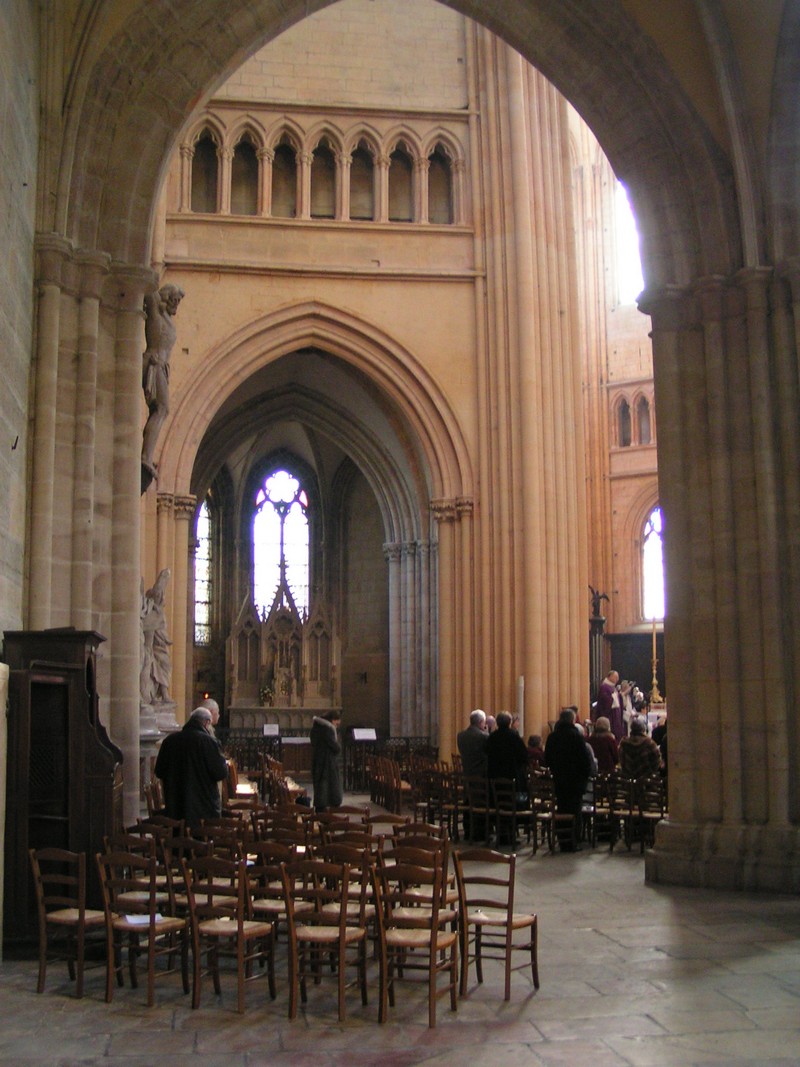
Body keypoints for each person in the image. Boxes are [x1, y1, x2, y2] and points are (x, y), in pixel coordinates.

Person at [154, 706, 228, 830]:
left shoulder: (169, 741)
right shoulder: (209, 742)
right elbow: (221, 773)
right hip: (203, 809)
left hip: (175, 806)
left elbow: (159, 771)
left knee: (178, 844)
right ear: (206, 722)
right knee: (202, 845)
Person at [141, 283, 184, 476]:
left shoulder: (166, 318)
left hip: (162, 367)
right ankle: (145, 457)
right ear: (167, 297)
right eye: (175, 299)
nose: (177, 304)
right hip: (154, 363)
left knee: (162, 410)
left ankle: (146, 456)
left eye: (179, 301)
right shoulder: (155, 313)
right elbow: (148, 290)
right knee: (162, 408)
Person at [544, 707, 593, 851]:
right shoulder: (576, 736)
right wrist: (584, 776)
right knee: (574, 811)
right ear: (572, 720)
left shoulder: (552, 737)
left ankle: (562, 839)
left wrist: (555, 770)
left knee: (561, 809)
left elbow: (547, 759)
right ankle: (572, 842)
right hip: (575, 781)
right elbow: (585, 760)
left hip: (558, 780)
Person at [140, 568, 172, 705]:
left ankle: (163, 693)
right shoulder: (150, 612)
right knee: (150, 665)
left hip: (160, 647)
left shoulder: (159, 614)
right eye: (157, 595)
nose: (159, 597)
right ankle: (151, 695)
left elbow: (162, 633)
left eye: (161, 595)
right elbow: (149, 635)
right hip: (151, 648)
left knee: (165, 665)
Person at [485, 710, 529, 794]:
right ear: (510, 723)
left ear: (497, 723)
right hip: (512, 774)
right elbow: (523, 755)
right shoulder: (514, 736)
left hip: (495, 774)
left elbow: (486, 752)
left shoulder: (492, 737)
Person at [309, 710, 343, 812]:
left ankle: (321, 807)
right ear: (332, 720)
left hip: (318, 759)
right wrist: (338, 748)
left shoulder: (316, 728)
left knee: (320, 786)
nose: (336, 727)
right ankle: (327, 810)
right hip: (327, 762)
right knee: (327, 787)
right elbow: (334, 746)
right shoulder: (327, 729)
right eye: (336, 724)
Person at [457, 709, 488, 779]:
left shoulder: (460, 735)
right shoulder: (484, 736)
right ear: (481, 722)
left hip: (466, 774)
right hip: (481, 777)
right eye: (484, 722)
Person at [594, 670, 624, 740]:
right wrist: (613, 697)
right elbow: (604, 701)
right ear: (610, 676)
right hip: (610, 715)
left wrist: (619, 696)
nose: (617, 679)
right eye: (616, 677)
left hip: (615, 715)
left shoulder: (612, 687)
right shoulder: (604, 687)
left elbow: (617, 699)